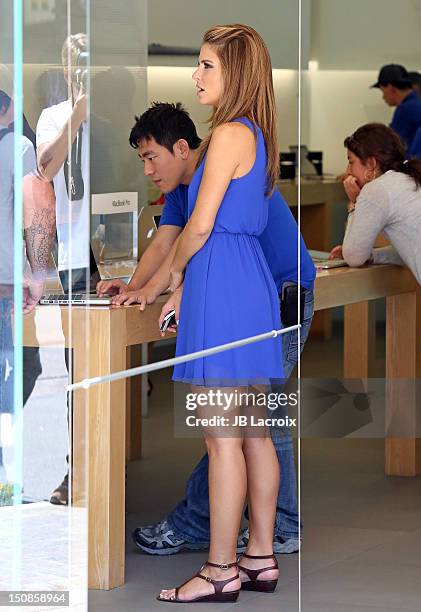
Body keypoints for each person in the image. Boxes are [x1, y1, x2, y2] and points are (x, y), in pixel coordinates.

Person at [97, 101, 315, 556]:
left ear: (182, 147)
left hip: (278, 298)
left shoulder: (219, 168)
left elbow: (190, 243)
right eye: (141, 159)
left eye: (152, 156)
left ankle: (264, 528)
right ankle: (255, 540)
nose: (148, 169)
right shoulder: (183, 186)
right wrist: (134, 288)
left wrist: (168, 285)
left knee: (246, 425)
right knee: (241, 427)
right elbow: (166, 242)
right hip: (246, 301)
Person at [151, 24, 295, 604]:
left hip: (224, 286)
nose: (196, 75)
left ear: (233, 72)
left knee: (222, 440)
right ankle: (258, 556)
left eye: (207, 65)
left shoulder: (228, 135)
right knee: (254, 434)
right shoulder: (257, 136)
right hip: (249, 285)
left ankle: (219, 569)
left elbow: (200, 224)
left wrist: (170, 278)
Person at [36, 33, 92, 505]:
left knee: (108, 366)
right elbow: (46, 168)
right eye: (77, 57)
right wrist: (76, 118)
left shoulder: (115, 122)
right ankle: (76, 468)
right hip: (70, 260)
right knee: (72, 370)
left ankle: (106, 459)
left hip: (108, 253)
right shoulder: (55, 117)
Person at [0, 79, 56, 486]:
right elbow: (34, 206)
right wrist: (38, 273)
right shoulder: (17, 147)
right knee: (22, 368)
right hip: (7, 284)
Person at [329, 123, 421, 292]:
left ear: (372, 163)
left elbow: (353, 256)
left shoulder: (376, 189)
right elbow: (409, 250)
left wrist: (354, 203)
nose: (347, 171)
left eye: (351, 162)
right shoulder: (410, 179)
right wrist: (373, 256)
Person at [371, 64, 421, 154]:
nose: (383, 97)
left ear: (391, 88)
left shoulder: (405, 109)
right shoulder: (419, 104)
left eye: (383, 91)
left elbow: (392, 146)